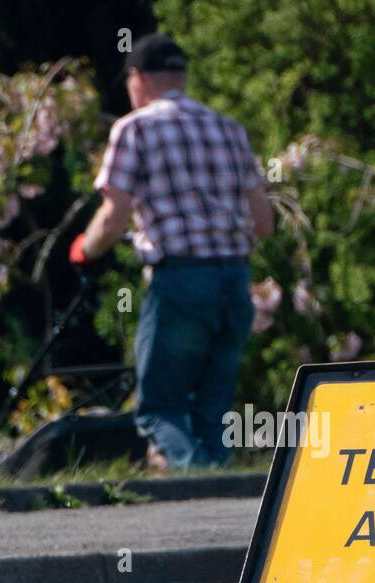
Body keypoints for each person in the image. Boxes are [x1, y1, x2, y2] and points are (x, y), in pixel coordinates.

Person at [70, 33, 274, 471]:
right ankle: (220, 499)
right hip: (234, 282)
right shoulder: (228, 129)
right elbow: (264, 222)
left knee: (159, 408)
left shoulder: (134, 128)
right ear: (181, 77)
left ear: (137, 78)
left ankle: (197, 481)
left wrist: (85, 250)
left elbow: (114, 215)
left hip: (180, 282)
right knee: (213, 410)